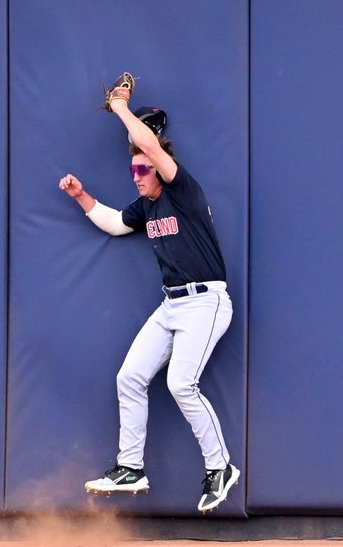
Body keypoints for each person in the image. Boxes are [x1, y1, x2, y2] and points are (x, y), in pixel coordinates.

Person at [58, 80, 239, 513]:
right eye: (132, 171)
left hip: (206, 302)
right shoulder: (147, 207)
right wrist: (82, 197)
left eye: (143, 169)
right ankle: (130, 467)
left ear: (160, 166)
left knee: (180, 383)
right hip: (172, 305)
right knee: (130, 377)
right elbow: (118, 223)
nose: (137, 176)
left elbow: (147, 144)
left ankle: (221, 468)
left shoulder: (181, 189)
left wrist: (120, 107)